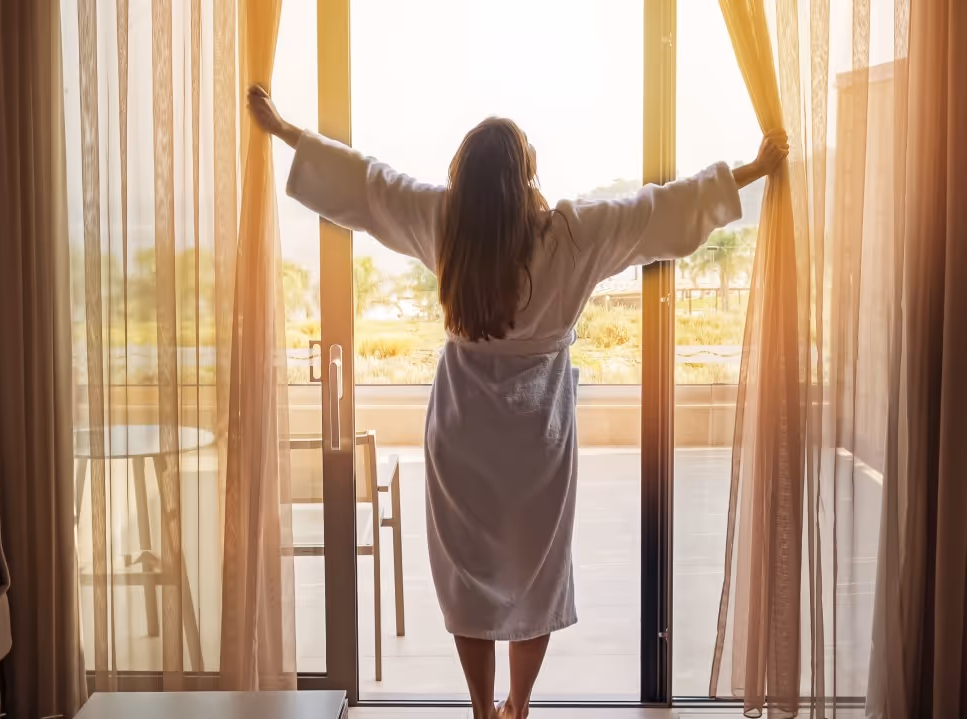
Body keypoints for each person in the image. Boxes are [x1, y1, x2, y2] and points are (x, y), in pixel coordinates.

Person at [247, 84, 787, 719]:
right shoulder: (573, 236)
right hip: (539, 434)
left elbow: (368, 186)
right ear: (526, 175)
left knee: (466, 576)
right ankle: (518, 706)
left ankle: (482, 709)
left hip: (461, 428)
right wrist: (753, 168)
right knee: (537, 573)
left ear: (465, 180)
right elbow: (660, 211)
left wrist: (284, 129)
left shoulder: (445, 225)